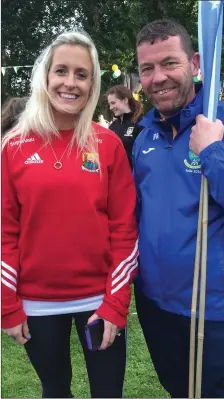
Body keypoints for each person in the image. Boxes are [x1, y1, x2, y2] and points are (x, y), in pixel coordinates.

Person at [1, 29, 138, 399]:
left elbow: (125, 229)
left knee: (107, 393)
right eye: (61, 71)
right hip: (37, 304)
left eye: (82, 74)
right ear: (46, 75)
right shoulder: (13, 148)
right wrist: (8, 305)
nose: (70, 83)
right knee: (55, 390)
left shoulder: (107, 145)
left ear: (92, 83)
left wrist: (115, 303)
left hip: (99, 301)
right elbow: (4, 233)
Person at [133, 19, 224, 398]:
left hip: (213, 310)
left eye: (170, 62)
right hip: (155, 305)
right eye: (147, 68)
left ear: (196, 63)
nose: (158, 77)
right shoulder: (144, 136)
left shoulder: (218, 124)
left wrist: (212, 153)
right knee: (178, 390)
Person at [107, 84, 143, 167]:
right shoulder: (113, 126)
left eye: (113, 103)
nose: (110, 107)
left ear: (125, 100)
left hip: (134, 177)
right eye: (109, 104)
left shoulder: (140, 123)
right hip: (116, 177)